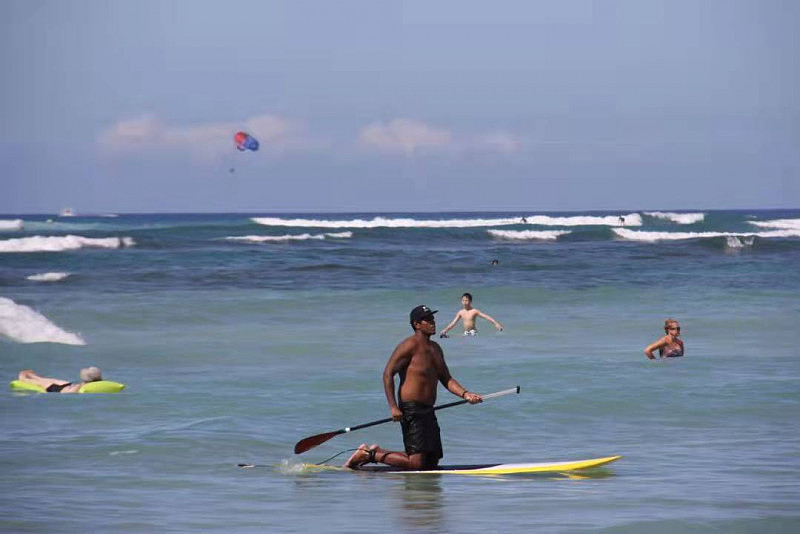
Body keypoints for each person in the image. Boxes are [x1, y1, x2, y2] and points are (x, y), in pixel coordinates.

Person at [344, 305, 482, 470]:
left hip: (428, 409)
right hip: (411, 409)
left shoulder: (436, 349)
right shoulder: (408, 345)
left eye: (433, 319)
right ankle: (369, 454)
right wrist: (393, 407)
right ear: (417, 324)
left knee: (431, 462)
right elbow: (388, 374)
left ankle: (379, 453)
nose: (433, 322)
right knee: (415, 464)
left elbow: (447, 379)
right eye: (428, 320)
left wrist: (465, 394)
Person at [438, 293, 503, 337]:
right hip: (466, 332)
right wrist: (445, 330)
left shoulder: (474, 311)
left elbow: (486, 317)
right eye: (463, 300)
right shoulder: (461, 312)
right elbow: (453, 323)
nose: (464, 302)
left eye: (466, 300)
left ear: (470, 301)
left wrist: (496, 324)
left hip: (473, 332)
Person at [16, 367, 102, 393]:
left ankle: (23, 377)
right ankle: (33, 375)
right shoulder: (96, 383)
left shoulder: (83, 386)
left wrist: (78, 386)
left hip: (58, 390)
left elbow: (71, 393)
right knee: (51, 379)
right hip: (68, 386)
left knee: (42, 383)